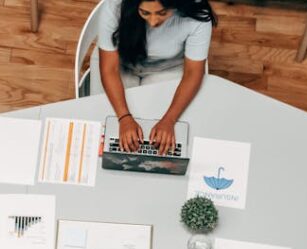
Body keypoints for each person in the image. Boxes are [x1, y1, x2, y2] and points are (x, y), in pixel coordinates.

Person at [93, 0, 217, 154]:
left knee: (169, 132)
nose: (153, 22)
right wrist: (124, 117)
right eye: (144, 12)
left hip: (167, 68)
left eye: (162, 13)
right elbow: (109, 69)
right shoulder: (114, 6)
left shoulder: (197, 15)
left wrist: (169, 120)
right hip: (121, 65)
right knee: (105, 127)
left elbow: (193, 72)